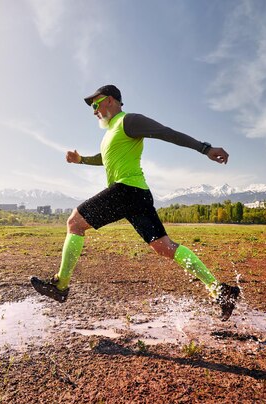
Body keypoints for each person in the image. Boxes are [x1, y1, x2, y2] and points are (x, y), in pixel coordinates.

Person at [31, 85, 240, 321]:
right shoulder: (110, 133)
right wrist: (81, 160)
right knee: (164, 247)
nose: (93, 111)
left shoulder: (128, 121)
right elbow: (105, 159)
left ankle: (61, 285)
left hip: (127, 190)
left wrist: (205, 148)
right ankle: (220, 290)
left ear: (110, 100)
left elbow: (166, 132)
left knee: (75, 222)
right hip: (137, 194)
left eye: (95, 104)